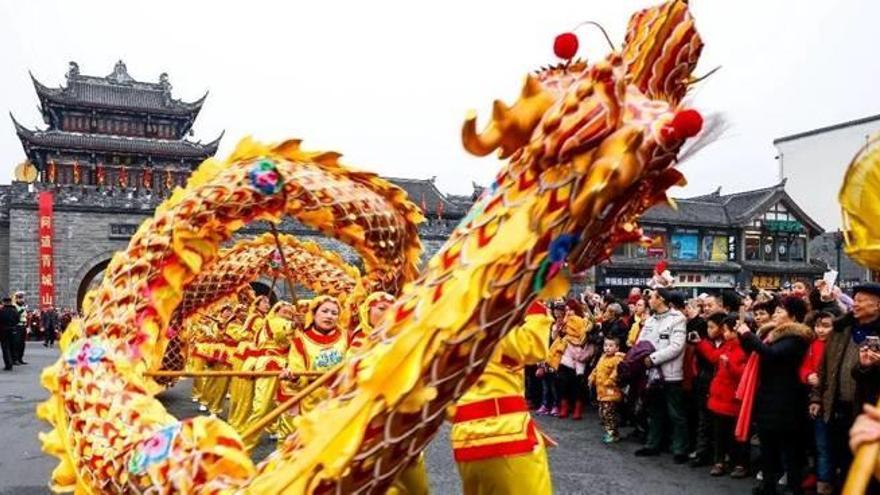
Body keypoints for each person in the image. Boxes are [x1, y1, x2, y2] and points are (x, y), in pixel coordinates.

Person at [451, 300, 553, 494]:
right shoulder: (493, 326)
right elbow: (535, 346)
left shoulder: (451, 336)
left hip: (464, 439)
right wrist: (536, 303)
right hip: (507, 436)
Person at [738, 295, 813, 495]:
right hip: (768, 395)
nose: (776, 314)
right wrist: (743, 335)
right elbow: (754, 351)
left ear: (794, 317)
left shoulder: (797, 338)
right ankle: (768, 485)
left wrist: (749, 336)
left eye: (781, 311)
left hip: (787, 398)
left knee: (789, 447)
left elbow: (771, 354)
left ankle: (793, 486)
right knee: (767, 444)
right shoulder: (773, 334)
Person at [811, 282, 880, 490]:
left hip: (868, 412)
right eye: (855, 299)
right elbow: (824, 367)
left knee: (866, 466)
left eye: (861, 300)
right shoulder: (841, 329)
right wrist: (816, 397)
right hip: (838, 406)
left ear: (877, 305)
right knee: (840, 459)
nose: (855, 304)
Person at [277, 296, 348, 439]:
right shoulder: (300, 342)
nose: (329, 316)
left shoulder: (348, 337)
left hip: (341, 402)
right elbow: (298, 377)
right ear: (314, 314)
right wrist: (294, 378)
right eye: (325, 311)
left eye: (334, 313)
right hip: (312, 404)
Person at [634, 287, 689, 463]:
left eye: (653, 297)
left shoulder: (677, 319)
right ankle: (652, 444)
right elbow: (640, 342)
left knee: (676, 413)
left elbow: (676, 346)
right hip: (652, 375)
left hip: (671, 374)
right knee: (655, 410)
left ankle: (680, 449)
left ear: (662, 300)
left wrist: (654, 358)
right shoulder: (650, 320)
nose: (650, 300)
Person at [696, 313, 748, 478]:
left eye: (726, 331)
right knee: (719, 432)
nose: (724, 334)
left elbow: (744, 373)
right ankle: (720, 461)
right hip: (719, 396)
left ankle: (739, 462)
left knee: (735, 434)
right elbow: (713, 357)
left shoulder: (744, 349)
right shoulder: (727, 346)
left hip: (732, 398)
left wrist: (729, 364)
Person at [226, 295, 270, 433]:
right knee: (244, 390)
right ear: (257, 305)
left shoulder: (263, 318)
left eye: (269, 302)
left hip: (257, 352)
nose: (268, 305)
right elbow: (267, 333)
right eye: (265, 302)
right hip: (248, 354)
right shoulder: (256, 318)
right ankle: (240, 422)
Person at [801, 311, 834, 494]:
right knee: (818, 444)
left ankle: (825, 479)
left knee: (825, 444)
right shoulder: (813, 345)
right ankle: (821, 478)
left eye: (826, 326)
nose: (821, 330)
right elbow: (804, 366)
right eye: (818, 326)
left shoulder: (837, 345)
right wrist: (808, 375)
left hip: (830, 400)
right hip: (814, 397)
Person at [548, 300, 591, 420]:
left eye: (571, 309)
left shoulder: (582, 321)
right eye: (567, 309)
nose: (568, 312)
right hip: (564, 354)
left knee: (577, 384)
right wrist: (559, 327)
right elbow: (554, 337)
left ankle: (577, 409)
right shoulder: (561, 322)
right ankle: (564, 407)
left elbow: (583, 336)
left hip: (577, 355)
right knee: (562, 383)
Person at [588, 336, 625, 443]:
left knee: (608, 413)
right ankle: (611, 431)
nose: (607, 348)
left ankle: (612, 433)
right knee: (602, 413)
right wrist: (592, 377)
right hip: (601, 391)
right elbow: (597, 369)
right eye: (605, 345)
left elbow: (616, 372)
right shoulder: (603, 357)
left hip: (611, 391)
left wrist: (610, 381)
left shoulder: (617, 359)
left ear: (617, 348)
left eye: (610, 346)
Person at [0, 297, 18, 370]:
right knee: (12, 347)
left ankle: (8, 364)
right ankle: (13, 360)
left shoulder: (1, 311)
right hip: (13, 330)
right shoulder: (14, 310)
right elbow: (18, 319)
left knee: (5, 348)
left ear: (4, 302)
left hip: (3, 331)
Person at [11, 292, 27, 365]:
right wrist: (22, 310)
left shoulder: (23, 306)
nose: (22, 300)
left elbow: (25, 317)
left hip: (23, 326)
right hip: (17, 326)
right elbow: (15, 316)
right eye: (20, 298)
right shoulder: (14, 306)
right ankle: (15, 359)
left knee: (22, 344)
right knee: (16, 343)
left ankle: (20, 358)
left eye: (22, 298)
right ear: (16, 299)